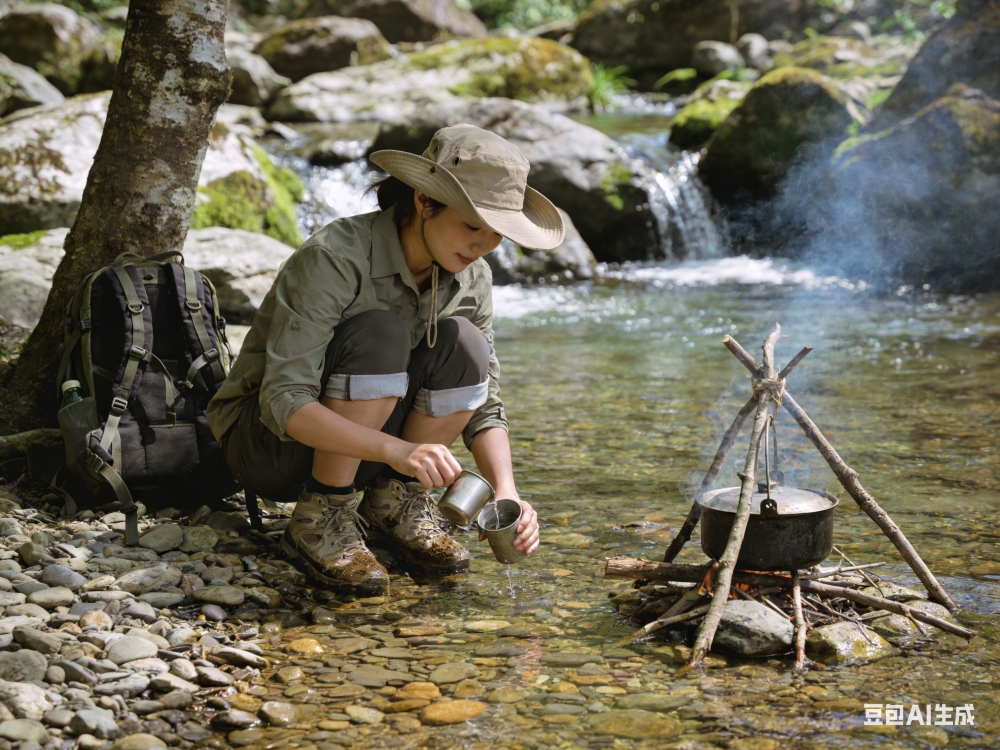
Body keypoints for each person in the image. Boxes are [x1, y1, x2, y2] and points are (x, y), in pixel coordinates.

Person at [206, 124, 566, 594]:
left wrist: (506, 490)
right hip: (270, 448)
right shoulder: (334, 258)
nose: (483, 245)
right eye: (472, 224)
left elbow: (485, 400)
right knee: (381, 331)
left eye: (497, 233)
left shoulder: (472, 275)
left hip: (371, 451)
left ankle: (393, 504)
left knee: (466, 343)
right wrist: (399, 450)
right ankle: (323, 514)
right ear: (422, 201)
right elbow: (283, 400)